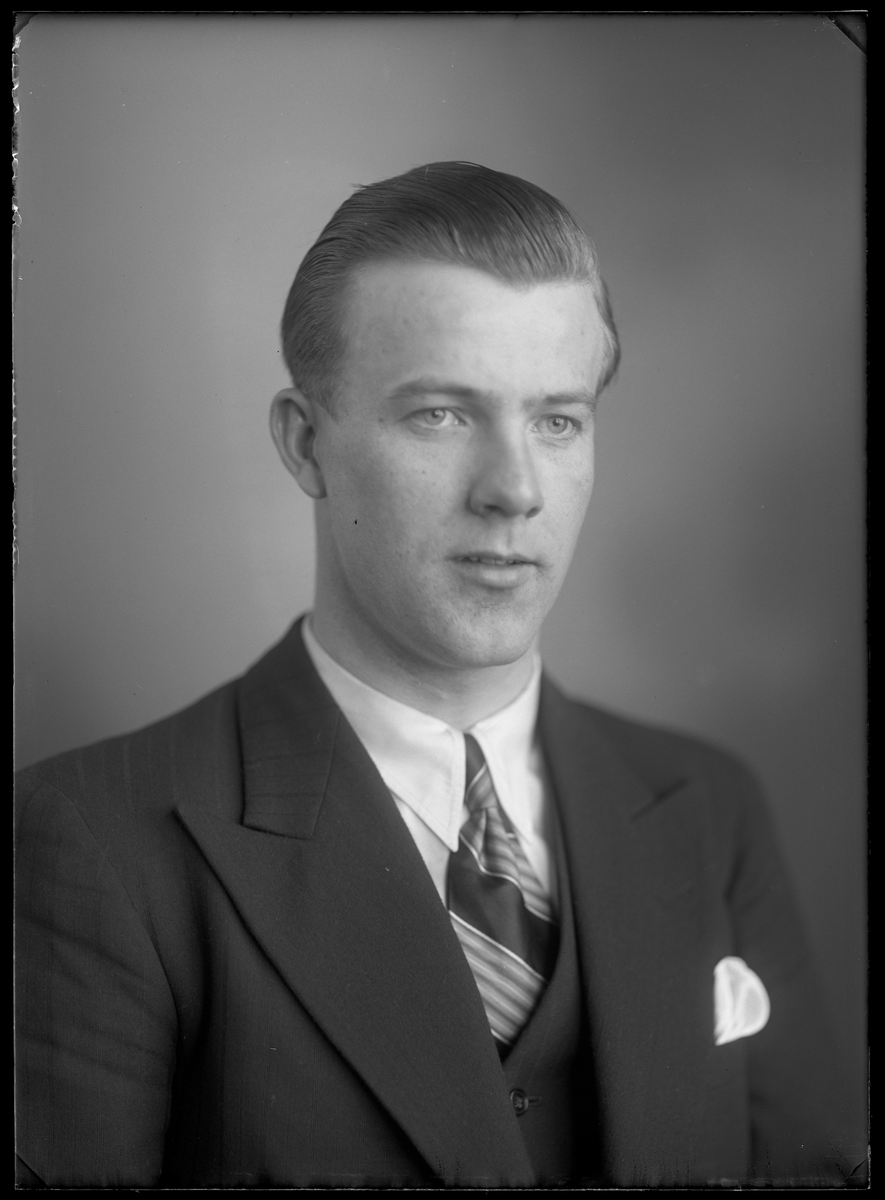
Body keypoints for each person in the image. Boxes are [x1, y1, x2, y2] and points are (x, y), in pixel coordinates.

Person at [15, 162, 857, 1188]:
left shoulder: (707, 807)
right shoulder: (90, 841)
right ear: (305, 445)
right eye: (442, 415)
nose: (514, 490)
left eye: (557, 420)